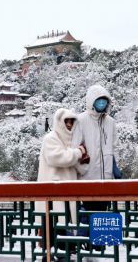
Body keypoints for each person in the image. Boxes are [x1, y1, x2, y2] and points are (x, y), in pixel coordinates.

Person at [71, 84, 117, 250]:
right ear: (91, 101)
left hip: (106, 177)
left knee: (102, 212)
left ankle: (99, 247)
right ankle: (87, 244)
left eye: (105, 101)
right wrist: (82, 170)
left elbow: (112, 147)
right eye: (99, 100)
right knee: (88, 212)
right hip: (88, 177)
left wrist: (113, 169)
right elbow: (75, 148)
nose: (102, 104)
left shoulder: (111, 122)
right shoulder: (80, 120)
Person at [37, 109, 84, 259]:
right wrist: (78, 153)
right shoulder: (50, 138)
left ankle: (63, 254)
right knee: (54, 228)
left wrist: (79, 155)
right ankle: (53, 255)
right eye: (66, 121)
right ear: (59, 122)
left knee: (66, 228)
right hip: (52, 195)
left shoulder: (71, 141)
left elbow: (79, 167)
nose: (69, 124)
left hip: (67, 194)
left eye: (72, 121)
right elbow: (58, 158)